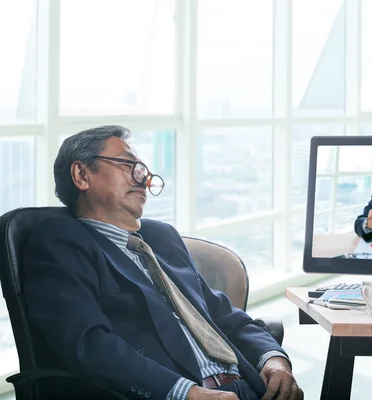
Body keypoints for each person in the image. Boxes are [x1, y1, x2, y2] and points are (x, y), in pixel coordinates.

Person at [23, 125, 303, 400]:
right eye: (128, 165)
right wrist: (186, 393)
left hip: (249, 387)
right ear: (81, 175)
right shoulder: (59, 240)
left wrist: (274, 359)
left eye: (144, 172)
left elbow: (223, 315)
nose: (142, 179)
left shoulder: (161, 237)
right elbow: (90, 344)